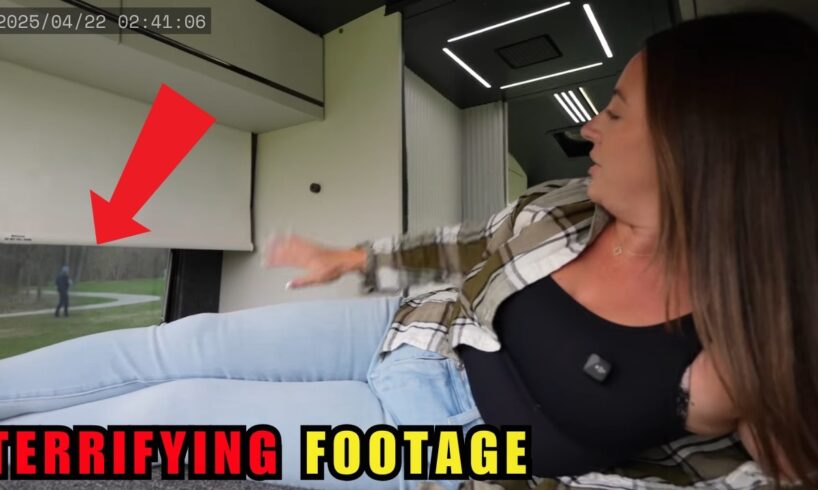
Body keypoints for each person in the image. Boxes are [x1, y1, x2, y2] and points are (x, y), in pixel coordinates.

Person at [0, 10, 815, 489]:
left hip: (435, 437)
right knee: (179, 342)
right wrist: (355, 261)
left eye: (617, 111)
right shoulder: (566, 204)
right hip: (406, 327)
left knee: (165, 417)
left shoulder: (751, 350)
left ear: (700, 148)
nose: (588, 128)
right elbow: (462, 247)